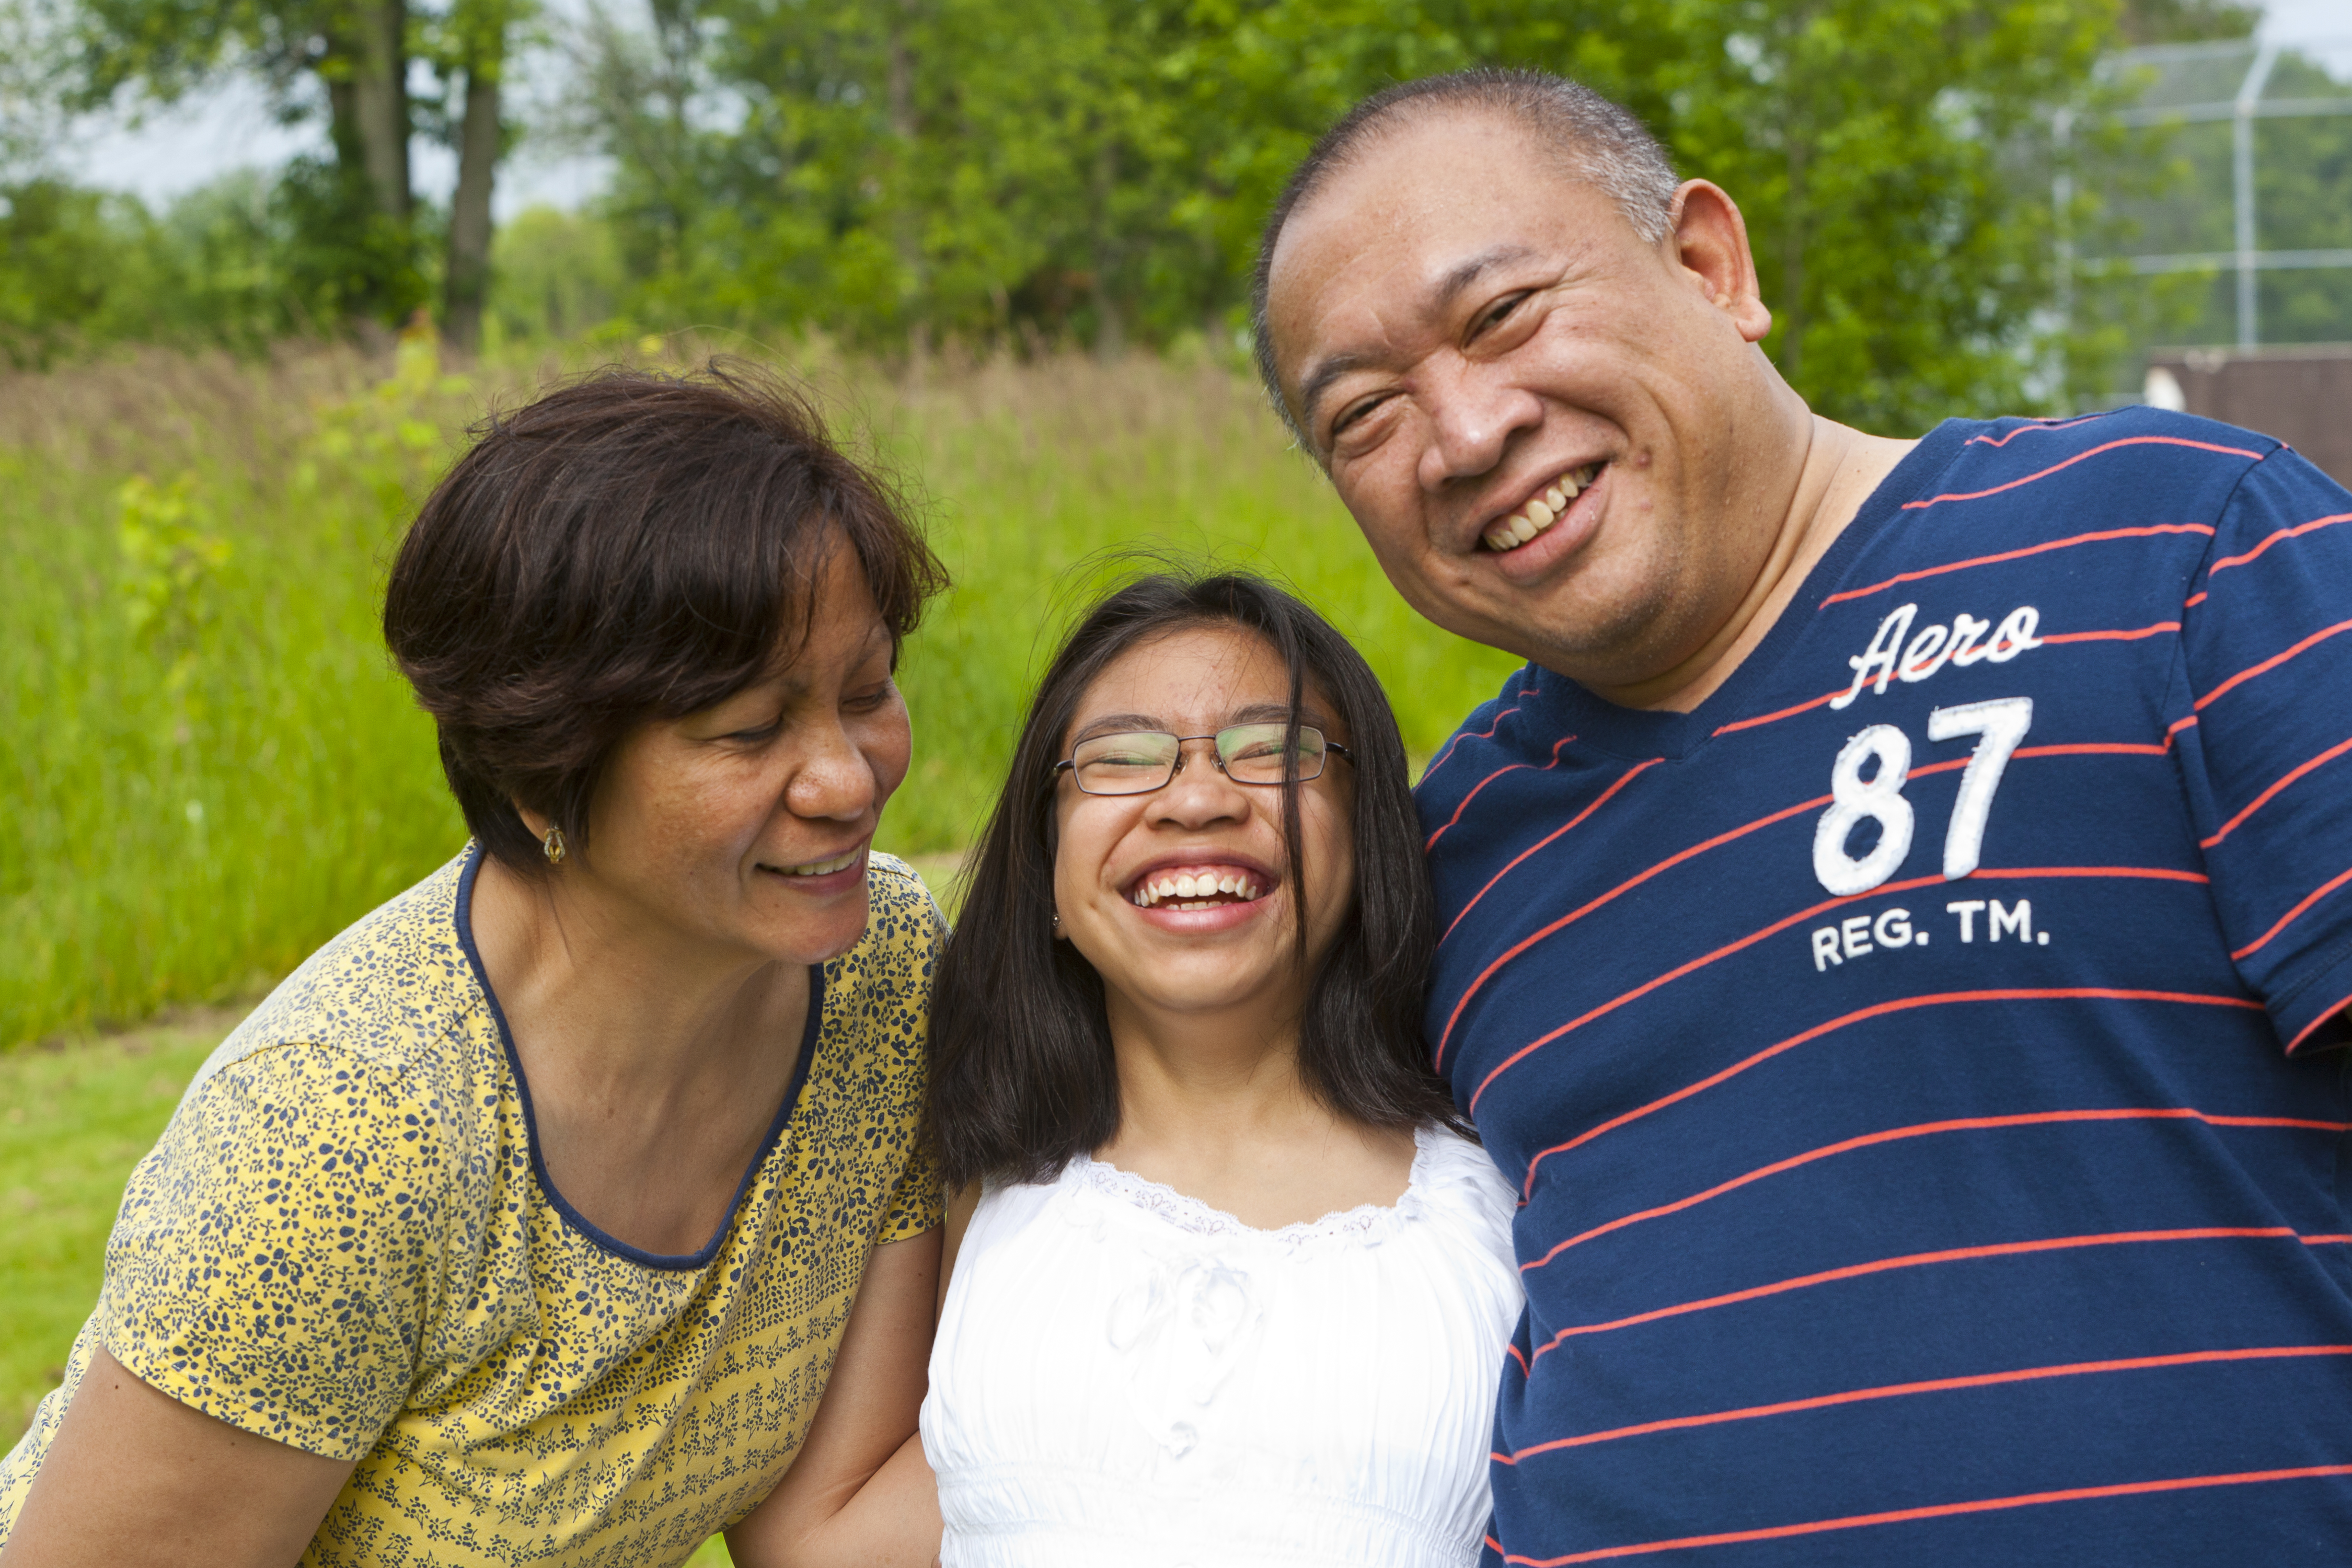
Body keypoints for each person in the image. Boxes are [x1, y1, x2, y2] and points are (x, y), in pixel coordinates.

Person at [1254, 66, 2352, 1568]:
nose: (1458, 433)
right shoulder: (1442, 857)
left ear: (1710, 266)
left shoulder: (2172, 544)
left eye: (1503, 316)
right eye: (1365, 415)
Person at [0, 365, 953, 1567]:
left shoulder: (883, 972)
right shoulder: (343, 1141)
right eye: (751, 732)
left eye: (868, 694)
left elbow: (826, 1540)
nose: (848, 781)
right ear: (543, 765)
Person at [919, 571, 1523, 1567]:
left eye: (1271, 750)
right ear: (1051, 876)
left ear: (1367, 838)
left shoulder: (1505, 1189)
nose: (1196, 798)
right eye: (1119, 758)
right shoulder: (976, 1179)